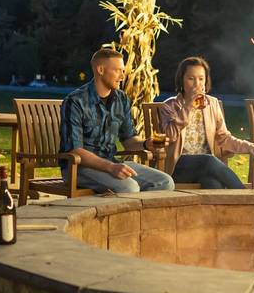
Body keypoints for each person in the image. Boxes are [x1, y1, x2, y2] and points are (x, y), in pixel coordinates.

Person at [59, 47, 174, 194]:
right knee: (129, 187)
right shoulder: (75, 101)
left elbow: (128, 140)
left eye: (123, 71)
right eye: (118, 70)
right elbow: (75, 150)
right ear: (100, 70)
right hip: (79, 168)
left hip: (112, 162)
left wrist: (146, 143)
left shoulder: (122, 99)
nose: (123, 76)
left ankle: (139, 217)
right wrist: (110, 167)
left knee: (164, 182)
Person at [159, 57, 254, 188]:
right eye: (191, 79)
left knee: (214, 184)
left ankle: (236, 206)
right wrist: (188, 106)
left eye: (201, 79)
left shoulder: (212, 104)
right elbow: (170, 136)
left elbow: (224, 138)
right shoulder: (169, 106)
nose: (197, 84)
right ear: (182, 80)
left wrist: (248, 147)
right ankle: (246, 196)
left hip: (205, 168)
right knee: (208, 160)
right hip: (178, 167)